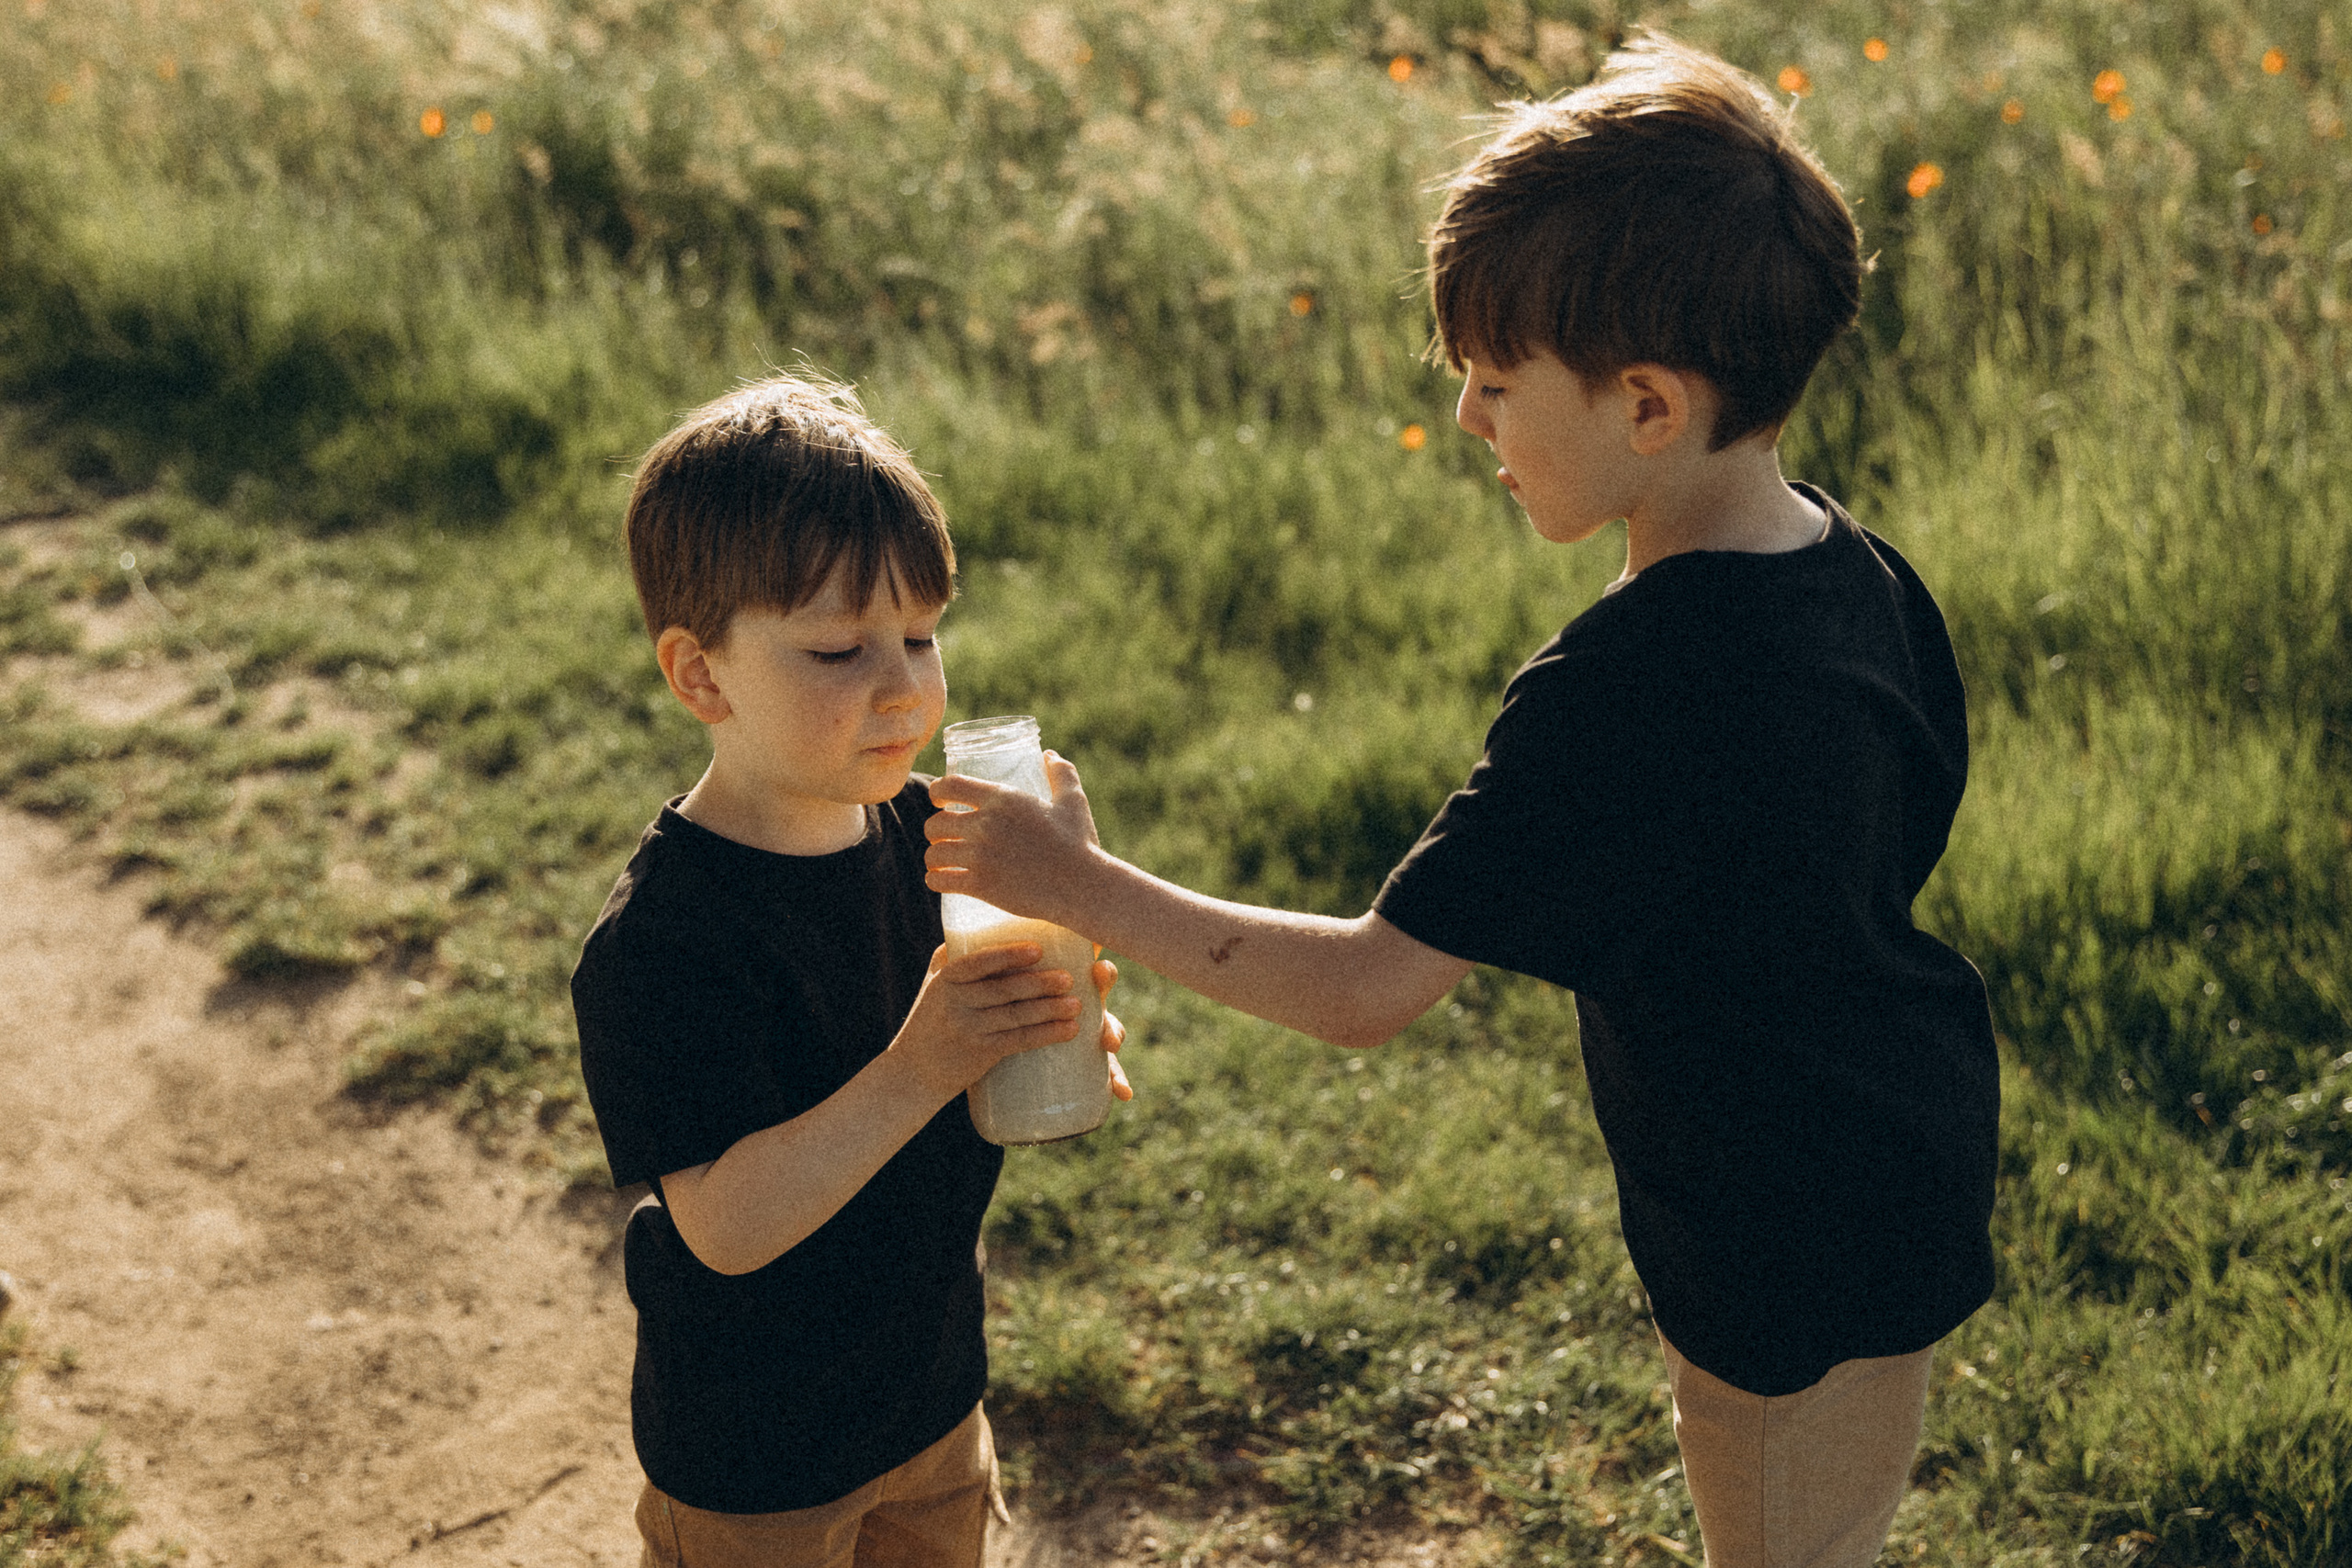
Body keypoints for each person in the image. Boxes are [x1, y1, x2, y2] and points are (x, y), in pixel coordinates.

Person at [922, 34, 1996, 1568]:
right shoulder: (1856, 570)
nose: (1471, 422)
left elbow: (1369, 990)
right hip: (1889, 1140)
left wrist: (1077, 883)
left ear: (1644, 406)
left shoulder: (1618, 691)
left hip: (1781, 1237)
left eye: (1495, 384)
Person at [571, 374, 1126, 1568]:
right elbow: (722, 1225)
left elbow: (955, 1094)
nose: (904, 686)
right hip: (756, 1458)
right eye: (838, 649)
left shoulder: (944, 839)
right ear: (701, 676)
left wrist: (1032, 1035)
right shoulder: (667, 941)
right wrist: (929, 1060)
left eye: (921, 636)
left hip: (932, 1397)